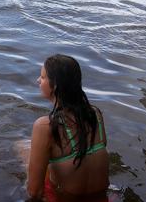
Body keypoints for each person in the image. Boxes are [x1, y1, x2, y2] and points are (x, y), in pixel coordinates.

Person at [27, 54, 109, 201]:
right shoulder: (95, 114)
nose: (38, 80)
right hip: (101, 199)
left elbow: (34, 192)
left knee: (21, 148)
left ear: (56, 85)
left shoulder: (44, 126)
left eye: (43, 77)